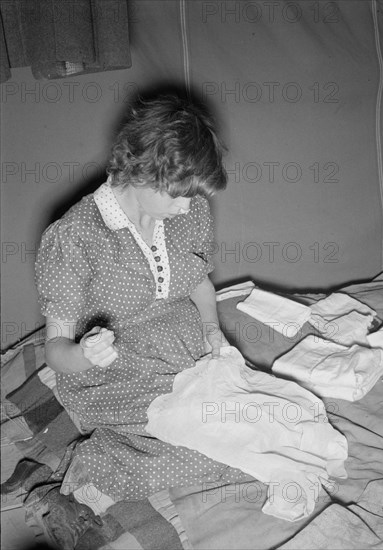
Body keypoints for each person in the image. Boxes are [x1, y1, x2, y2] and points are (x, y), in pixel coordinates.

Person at [33, 95, 249, 546]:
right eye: (179, 195)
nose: (189, 208)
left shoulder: (186, 211)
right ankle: (82, 477)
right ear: (142, 173)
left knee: (251, 426)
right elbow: (55, 350)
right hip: (116, 368)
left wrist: (212, 330)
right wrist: (84, 353)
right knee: (207, 450)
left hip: (183, 347)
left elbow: (198, 283)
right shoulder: (75, 236)